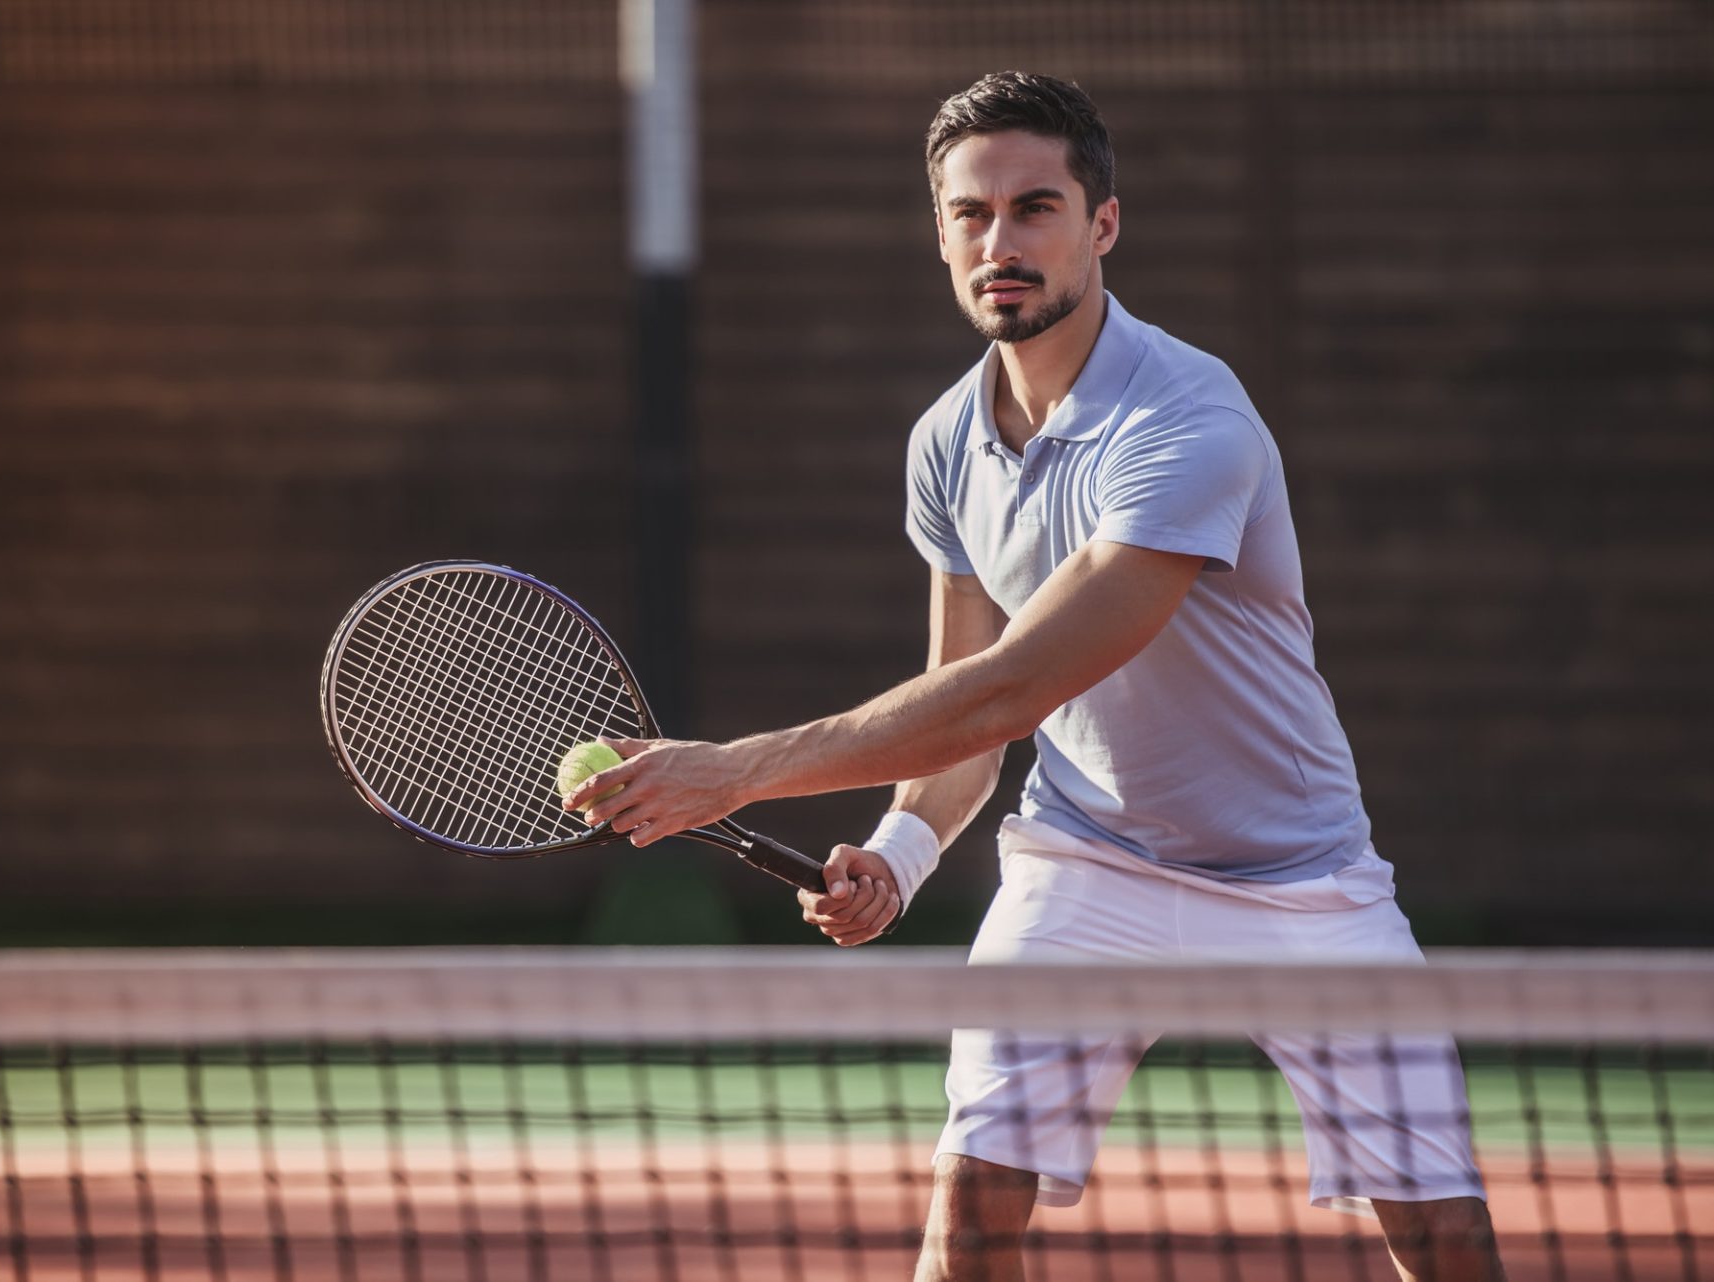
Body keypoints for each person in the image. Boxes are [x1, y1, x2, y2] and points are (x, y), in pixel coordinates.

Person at [564, 70, 1504, 1282]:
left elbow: (1015, 688)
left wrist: (731, 774)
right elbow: (962, 705)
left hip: (1300, 877)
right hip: (1086, 864)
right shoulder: (947, 443)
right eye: (969, 212)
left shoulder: (1188, 420)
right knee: (971, 1209)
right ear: (941, 230)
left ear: (1101, 225)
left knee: (1443, 1233)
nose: (997, 241)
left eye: (1034, 208)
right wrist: (898, 857)